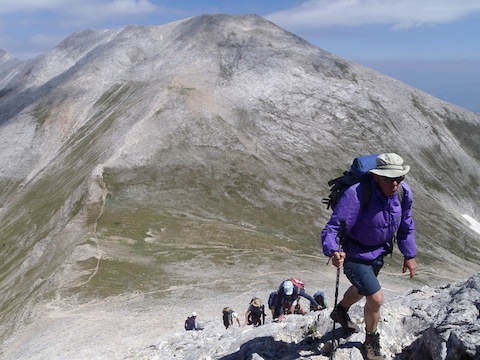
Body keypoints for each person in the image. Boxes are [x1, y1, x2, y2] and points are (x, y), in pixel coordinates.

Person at [321, 153, 417, 360]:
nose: (394, 183)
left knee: (361, 288)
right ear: (375, 176)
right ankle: (371, 342)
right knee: (375, 297)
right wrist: (333, 250)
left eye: (399, 178)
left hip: (379, 252)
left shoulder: (403, 193)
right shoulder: (357, 193)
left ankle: (340, 311)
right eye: (388, 179)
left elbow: (406, 225)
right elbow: (334, 227)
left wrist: (409, 254)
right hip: (354, 254)